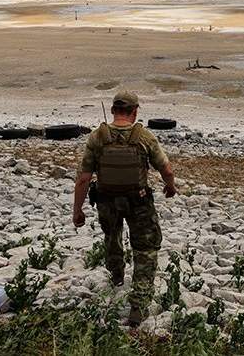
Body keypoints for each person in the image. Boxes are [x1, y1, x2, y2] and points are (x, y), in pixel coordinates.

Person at [73, 91, 176, 327]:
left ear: (112, 111)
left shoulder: (97, 137)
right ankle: (138, 306)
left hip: (106, 201)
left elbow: (83, 178)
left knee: (112, 237)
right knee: (146, 249)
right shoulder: (144, 136)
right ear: (135, 111)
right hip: (138, 201)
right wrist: (170, 188)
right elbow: (166, 170)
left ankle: (117, 276)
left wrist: (77, 211)